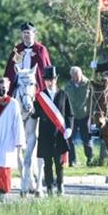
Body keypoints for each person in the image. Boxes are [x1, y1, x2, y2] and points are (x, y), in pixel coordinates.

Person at [2, 21, 51, 195]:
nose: (26, 36)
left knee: (42, 117)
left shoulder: (40, 50)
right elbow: (9, 71)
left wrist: (41, 89)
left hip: (35, 91)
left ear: (34, 34)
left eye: (29, 34)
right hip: (18, 88)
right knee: (6, 109)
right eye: (24, 34)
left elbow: (45, 72)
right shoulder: (17, 50)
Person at [33, 66, 73, 196]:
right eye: (47, 80)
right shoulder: (40, 97)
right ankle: (49, 187)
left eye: (52, 79)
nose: (49, 82)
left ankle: (60, 186)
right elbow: (35, 114)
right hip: (45, 134)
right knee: (47, 163)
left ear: (56, 79)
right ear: (44, 81)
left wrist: (69, 128)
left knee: (59, 162)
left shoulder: (63, 94)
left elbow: (69, 114)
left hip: (60, 134)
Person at [0, 77, 26, 202]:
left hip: (8, 138)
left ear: (8, 88)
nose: (2, 89)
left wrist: (19, 140)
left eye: (4, 87)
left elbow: (18, 122)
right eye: (0, 86)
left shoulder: (13, 103)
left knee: (4, 165)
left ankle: (3, 191)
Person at [64, 67, 94, 167]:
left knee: (86, 139)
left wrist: (92, 114)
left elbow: (92, 100)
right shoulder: (68, 86)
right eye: (73, 77)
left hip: (84, 115)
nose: (75, 79)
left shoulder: (88, 84)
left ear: (80, 74)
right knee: (70, 139)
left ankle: (90, 158)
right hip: (72, 116)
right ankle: (72, 160)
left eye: (77, 76)